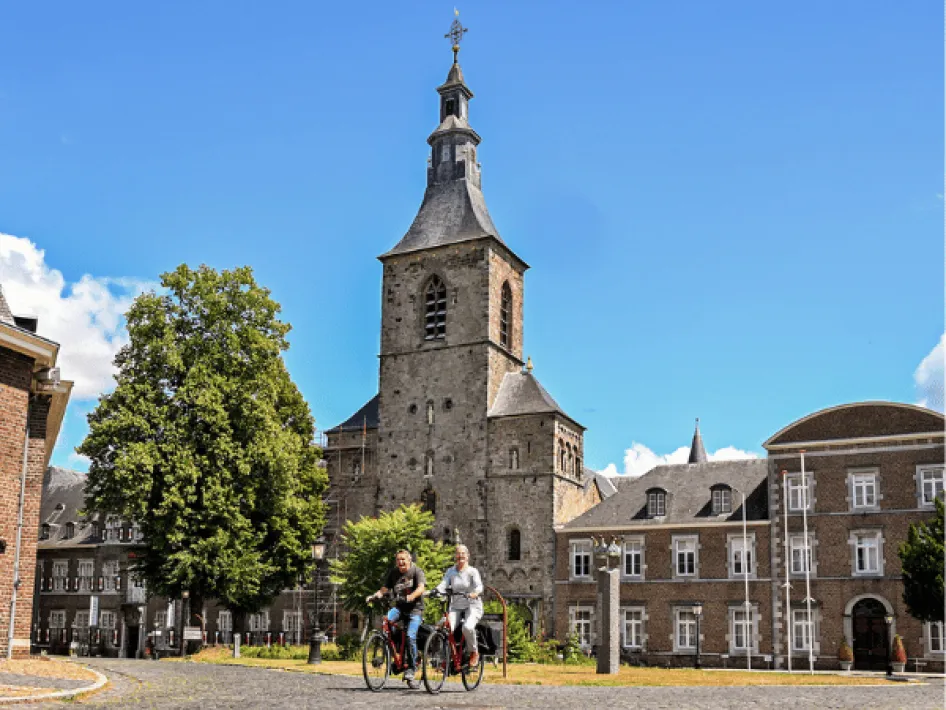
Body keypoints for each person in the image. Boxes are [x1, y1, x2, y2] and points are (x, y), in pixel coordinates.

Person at [367, 549, 426, 681]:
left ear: (409, 560)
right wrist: (376, 595)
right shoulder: (393, 573)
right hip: (399, 608)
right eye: (398, 560)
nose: (400, 562)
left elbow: (421, 588)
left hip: (415, 610)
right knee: (386, 622)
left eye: (403, 559)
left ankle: (411, 667)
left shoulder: (417, 571)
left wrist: (411, 596)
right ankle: (395, 657)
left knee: (410, 636)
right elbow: (385, 588)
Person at [434, 544, 484, 668]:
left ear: (468, 556)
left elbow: (479, 586)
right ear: (455, 556)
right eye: (458, 553)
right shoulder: (451, 571)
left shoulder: (473, 571)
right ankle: (449, 656)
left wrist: (475, 593)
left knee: (467, 627)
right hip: (456, 606)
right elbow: (444, 583)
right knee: (446, 628)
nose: (460, 556)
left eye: (463, 553)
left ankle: (474, 652)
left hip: (472, 605)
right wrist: (436, 590)